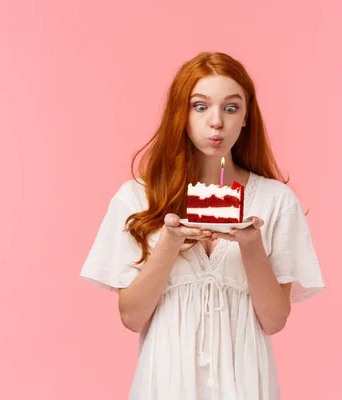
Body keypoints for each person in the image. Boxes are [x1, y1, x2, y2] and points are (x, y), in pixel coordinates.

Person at [80, 51, 325, 399]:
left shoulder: (275, 201)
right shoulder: (136, 198)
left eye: (231, 107)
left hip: (245, 387)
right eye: (200, 106)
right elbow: (132, 317)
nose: (216, 122)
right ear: (181, 114)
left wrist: (251, 245)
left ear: (246, 118)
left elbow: (274, 321)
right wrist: (168, 241)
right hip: (164, 387)